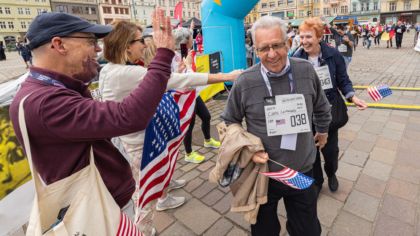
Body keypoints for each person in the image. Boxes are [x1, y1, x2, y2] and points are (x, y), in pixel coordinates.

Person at [9, 10, 174, 221]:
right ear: (59, 45)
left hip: (97, 202)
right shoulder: (45, 102)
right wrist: (164, 55)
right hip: (98, 211)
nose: (97, 49)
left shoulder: (44, 89)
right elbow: (129, 116)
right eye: (90, 41)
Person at [99, 20, 239, 235]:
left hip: (137, 140)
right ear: (126, 45)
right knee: (146, 193)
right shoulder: (124, 73)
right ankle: (143, 230)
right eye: (140, 41)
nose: (144, 46)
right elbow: (172, 80)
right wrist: (226, 76)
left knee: (148, 185)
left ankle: (160, 197)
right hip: (141, 145)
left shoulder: (111, 70)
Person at [222, 15, 332, 236]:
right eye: (264, 49)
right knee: (264, 230)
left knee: (307, 229)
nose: (271, 54)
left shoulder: (306, 70)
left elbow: (321, 106)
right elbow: (229, 121)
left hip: (301, 168)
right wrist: (248, 151)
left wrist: (323, 130)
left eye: (277, 45)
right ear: (255, 50)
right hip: (264, 173)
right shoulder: (245, 81)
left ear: (288, 43)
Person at [293, 17, 368, 194]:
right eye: (301, 37)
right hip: (306, 114)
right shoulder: (296, 58)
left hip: (328, 113)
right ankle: (317, 182)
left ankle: (331, 173)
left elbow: (343, 80)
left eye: (308, 37)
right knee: (312, 153)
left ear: (319, 36)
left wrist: (352, 97)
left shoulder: (333, 55)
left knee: (331, 152)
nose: (304, 41)